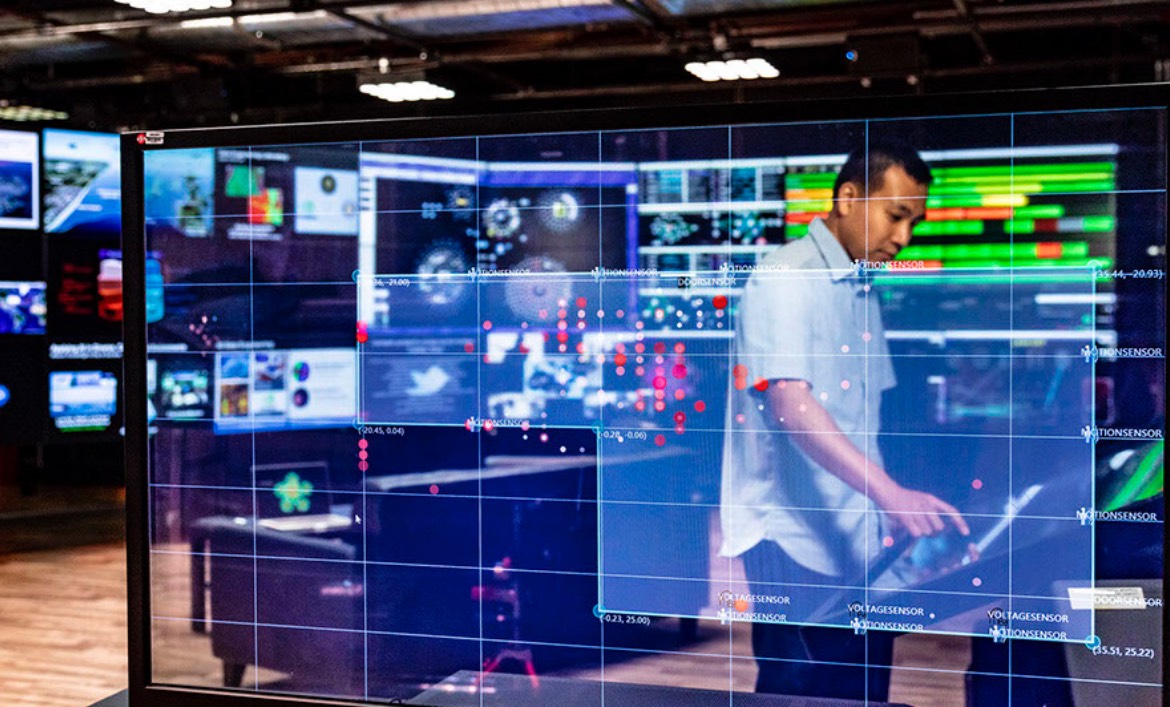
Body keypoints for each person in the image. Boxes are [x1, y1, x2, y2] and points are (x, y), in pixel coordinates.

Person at [720, 141, 970, 700]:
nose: (903, 238)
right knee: (800, 691)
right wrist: (891, 494)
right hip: (792, 534)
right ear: (849, 198)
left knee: (861, 690)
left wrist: (894, 511)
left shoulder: (861, 285)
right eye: (895, 215)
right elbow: (790, 402)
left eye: (914, 221)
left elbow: (864, 422)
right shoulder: (785, 275)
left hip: (857, 532)